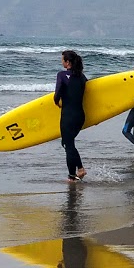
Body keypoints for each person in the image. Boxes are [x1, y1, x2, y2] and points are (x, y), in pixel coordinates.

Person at [54, 50, 88, 181]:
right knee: (68, 144)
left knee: (68, 145)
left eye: (62, 60)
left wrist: (56, 102)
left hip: (68, 116)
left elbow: (57, 95)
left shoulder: (61, 75)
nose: (61, 61)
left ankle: (75, 173)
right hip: (80, 116)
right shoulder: (82, 76)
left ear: (67, 62)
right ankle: (76, 172)